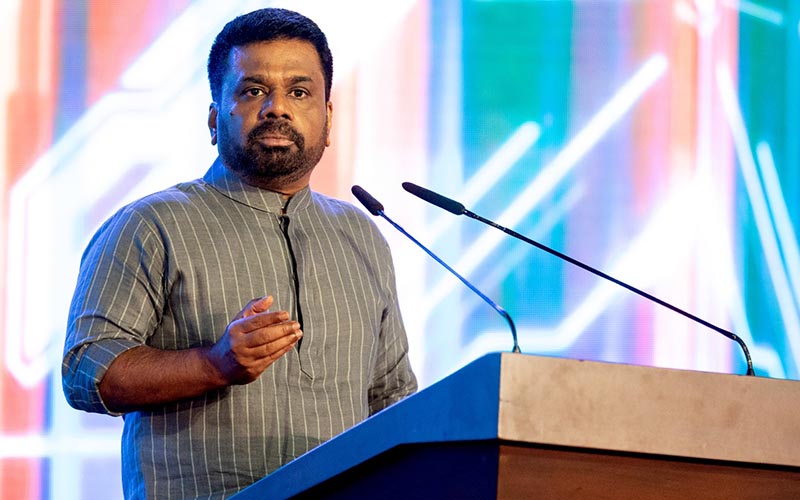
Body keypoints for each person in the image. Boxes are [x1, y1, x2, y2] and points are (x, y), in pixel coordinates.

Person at [62, 8, 417, 499]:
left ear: (328, 118)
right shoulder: (151, 225)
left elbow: (392, 397)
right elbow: (86, 371)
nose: (276, 108)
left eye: (299, 92)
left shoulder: (362, 235)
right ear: (214, 119)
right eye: (253, 91)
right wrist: (213, 365)